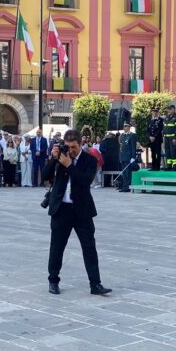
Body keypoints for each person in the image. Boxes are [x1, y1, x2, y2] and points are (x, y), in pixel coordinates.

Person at [42, 129, 111, 297]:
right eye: (67, 146)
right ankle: (53, 280)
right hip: (61, 209)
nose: (70, 150)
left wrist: (69, 165)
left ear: (80, 144)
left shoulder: (89, 160)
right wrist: (53, 158)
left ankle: (95, 284)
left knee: (89, 247)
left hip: (82, 210)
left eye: (73, 147)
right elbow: (45, 176)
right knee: (57, 247)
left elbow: (85, 181)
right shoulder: (61, 156)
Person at [118, 122, 137, 192]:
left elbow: (133, 147)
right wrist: (120, 157)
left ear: (129, 127)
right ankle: (124, 186)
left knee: (127, 172)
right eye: (124, 126)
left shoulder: (132, 135)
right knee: (124, 172)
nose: (124, 127)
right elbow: (121, 147)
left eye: (126, 126)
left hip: (129, 157)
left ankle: (128, 186)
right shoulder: (122, 135)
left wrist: (133, 157)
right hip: (123, 157)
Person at [162, 105, 176, 170]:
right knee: (167, 152)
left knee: (173, 152)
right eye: (168, 109)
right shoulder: (166, 117)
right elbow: (164, 127)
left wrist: (175, 138)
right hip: (166, 137)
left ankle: (175, 165)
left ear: (173, 109)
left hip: (172, 138)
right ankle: (169, 165)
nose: (168, 111)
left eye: (169, 109)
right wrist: (163, 135)